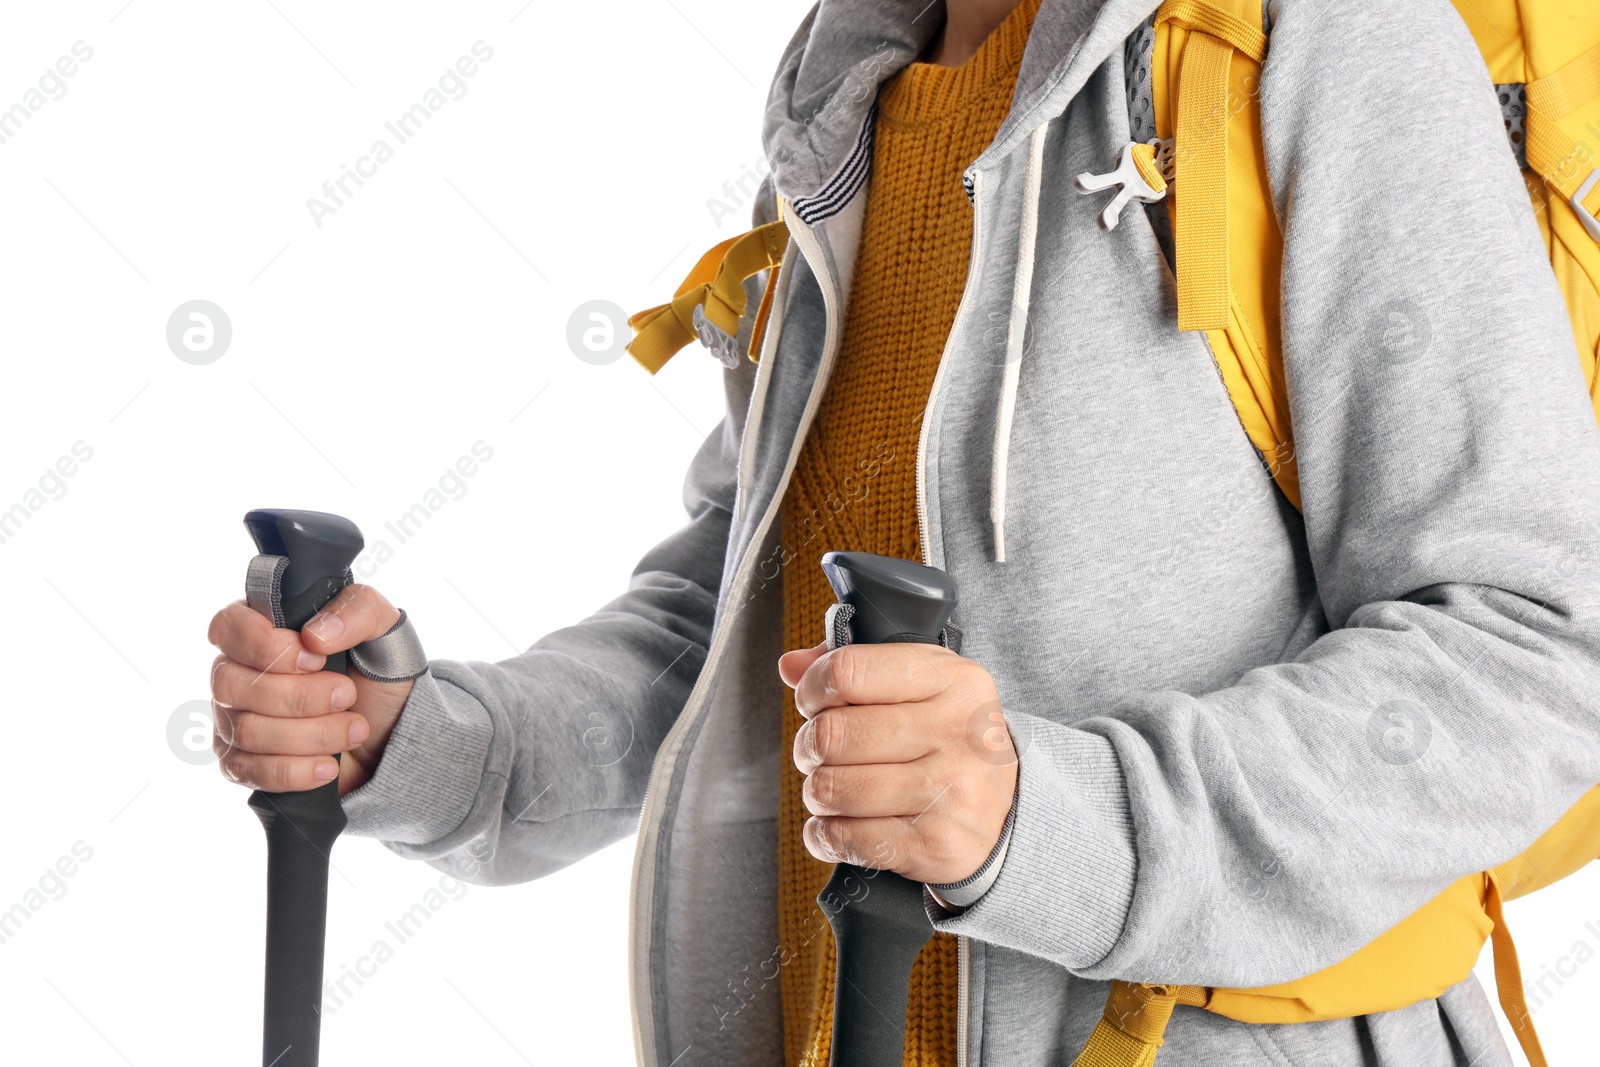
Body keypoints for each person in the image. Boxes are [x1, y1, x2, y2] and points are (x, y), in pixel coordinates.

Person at [206, 0, 1600, 1063]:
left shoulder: (1321, 41)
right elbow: (751, 608)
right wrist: (443, 746)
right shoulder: (853, 78)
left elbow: (1536, 646)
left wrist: (1040, 823)